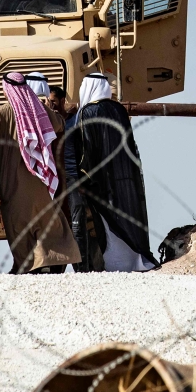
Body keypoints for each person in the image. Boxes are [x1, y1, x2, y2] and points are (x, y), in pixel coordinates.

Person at [0, 73, 80, 274]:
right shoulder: (39, 109)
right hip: (40, 179)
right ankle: (49, 260)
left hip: (13, 180)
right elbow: (59, 124)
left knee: (17, 223)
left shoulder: (4, 111)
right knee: (44, 220)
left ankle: (26, 264)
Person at [77, 73, 158, 272]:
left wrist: (83, 174)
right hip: (125, 176)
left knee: (107, 220)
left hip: (102, 178)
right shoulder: (119, 110)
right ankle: (135, 261)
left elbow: (87, 149)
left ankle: (116, 264)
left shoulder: (88, 112)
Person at [47, 85, 97, 273]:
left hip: (72, 178)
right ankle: (55, 269)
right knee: (56, 225)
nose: (51, 105)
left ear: (61, 101)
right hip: (54, 181)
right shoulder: (47, 122)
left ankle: (81, 268)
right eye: (48, 102)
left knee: (77, 224)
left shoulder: (75, 122)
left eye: (53, 102)